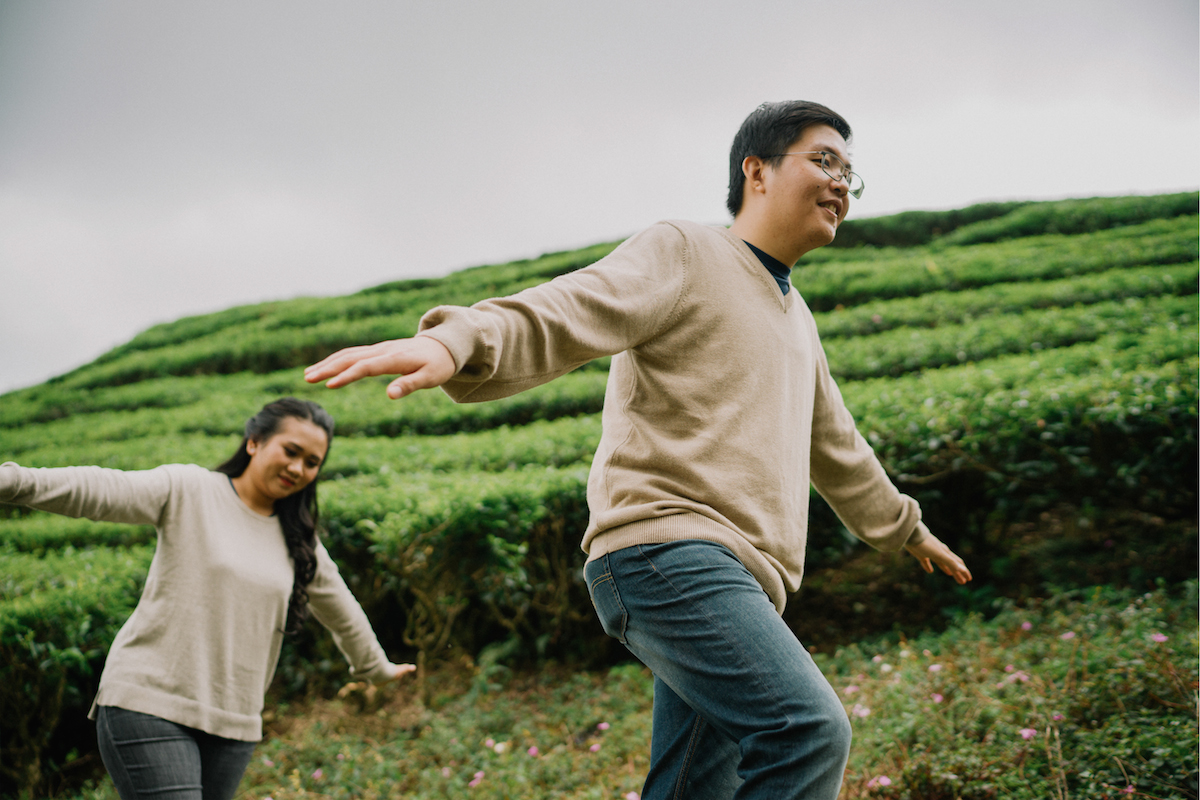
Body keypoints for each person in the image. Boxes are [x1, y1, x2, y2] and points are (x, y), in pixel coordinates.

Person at [304, 101, 971, 799]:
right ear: (758, 171)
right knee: (806, 730)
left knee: (692, 788)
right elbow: (572, 306)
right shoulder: (687, 250)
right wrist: (455, 340)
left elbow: (835, 442)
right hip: (669, 554)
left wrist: (905, 528)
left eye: (850, 174)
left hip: (736, 579)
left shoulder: (796, 317)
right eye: (824, 160)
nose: (841, 184)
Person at [0, 397, 413, 800]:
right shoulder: (190, 489)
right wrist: (13, 481)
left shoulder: (299, 541)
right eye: (291, 451)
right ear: (254, 442)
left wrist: (376, 668)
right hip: (150, 703)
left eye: (311, 462)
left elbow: (342, 611)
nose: (297, 468)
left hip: (234, 723)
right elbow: (101, 489)